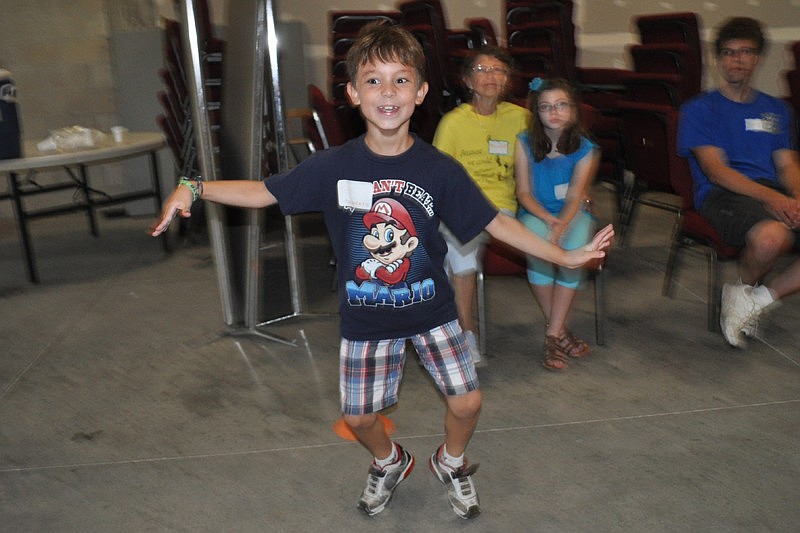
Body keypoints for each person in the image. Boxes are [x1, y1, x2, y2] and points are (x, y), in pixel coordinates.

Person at [151, 22, 613, 519]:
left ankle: (451, 461)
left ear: (420, 93)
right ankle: (389, 461)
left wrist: (565, 256)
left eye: (400, 80)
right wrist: (194, 187)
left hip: (433, 312)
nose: (387, 92)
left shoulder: (438, 169)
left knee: (467, 403)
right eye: (373, 81)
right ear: (354, 94)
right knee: (359, 418)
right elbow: (264, 192)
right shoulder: (332, 166)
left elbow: (495, 221)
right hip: (366, 319)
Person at [678, 17, 800, 348]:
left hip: (772, 190)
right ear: (719, 59)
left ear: (757, 58)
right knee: (771, 238)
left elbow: (788, 165)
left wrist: (796, 197)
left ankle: (751, 299)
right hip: (723, 193)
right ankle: (747, 288)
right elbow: (716, 171)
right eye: (729, 52)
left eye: (745, 52)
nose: (737, 59)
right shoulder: (699, 109)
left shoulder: (776, 110)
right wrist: (774, 200)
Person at [432, 46, 531, 366]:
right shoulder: (453, 123)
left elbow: (547, 159)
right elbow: (439, 178)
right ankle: (466, 335)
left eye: (499, 70)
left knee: (454, 253)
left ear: (508, 80)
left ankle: (451, 329)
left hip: (501, 209)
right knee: (460, 252)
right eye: (482, 70)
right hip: (461, 207)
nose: (491, 76)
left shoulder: (521, 119)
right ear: (467, 80)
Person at [514, 77, 600, 371]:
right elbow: (524, 193)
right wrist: (548, 220)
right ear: (536, 112)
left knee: (574, 253)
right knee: (538, 251)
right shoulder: (524, 142)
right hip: (536, 213)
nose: (554, 112)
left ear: (573, 110)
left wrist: (561, 224)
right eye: (545, 106)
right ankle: (561, 331)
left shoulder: (585, 148)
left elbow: (575, 195)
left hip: (572, 213)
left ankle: (552, 334)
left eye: (561, 105)